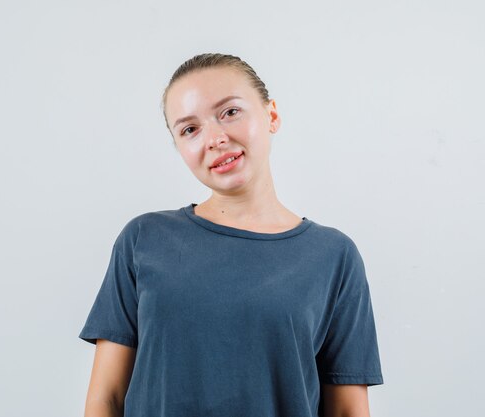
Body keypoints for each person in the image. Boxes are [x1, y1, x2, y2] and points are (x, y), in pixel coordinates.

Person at [78, 53, 384, 417]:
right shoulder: (143, 239)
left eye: (230, 112)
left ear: (271, 115)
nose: (215, 138)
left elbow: (349, 410)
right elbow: (105, 399)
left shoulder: (334, 256)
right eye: (190, 129)